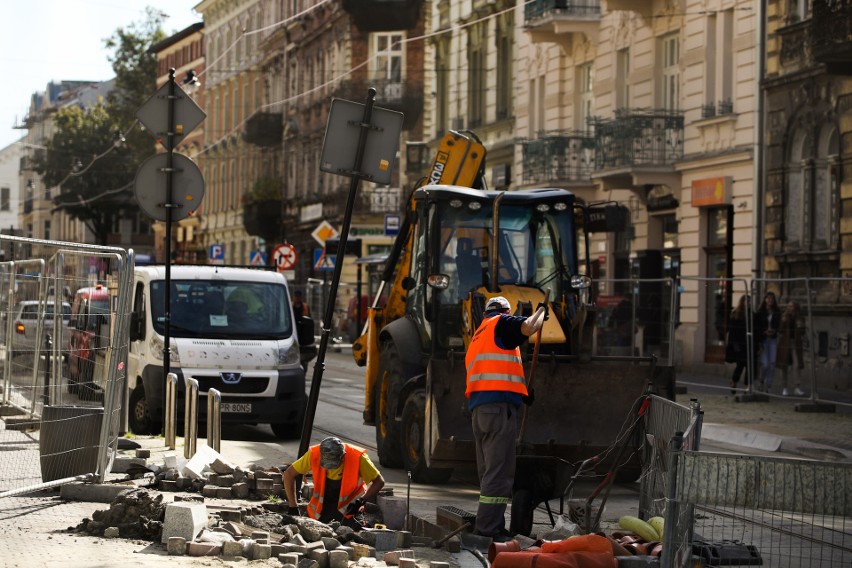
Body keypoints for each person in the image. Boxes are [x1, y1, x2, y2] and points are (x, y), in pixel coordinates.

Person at [464, 295, 547, 542]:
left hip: (481, 412)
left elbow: (493, 375)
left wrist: (520, 393)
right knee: (499, 474)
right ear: (504, 311)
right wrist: (542, 310)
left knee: (489, 474)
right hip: (499, 412)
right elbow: (531, 326)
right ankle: (489, 529)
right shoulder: (501, 322)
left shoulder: (479, 335)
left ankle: (491, 524)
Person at [283, 436, 385, 527]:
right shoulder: (315, 453)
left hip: (349, 507)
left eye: (334, 465)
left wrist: (361, 501)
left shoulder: (358, 457)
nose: (330, 469)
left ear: (343, 457)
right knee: (312, 529)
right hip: (321, 507)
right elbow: (289, 474)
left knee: (353, 530)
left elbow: (379, 481)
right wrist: (293, 506)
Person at [776, 300, 806, 397]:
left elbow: (803, 331)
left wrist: (801, 325)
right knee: (784, 365)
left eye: (792, 306)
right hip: (785, 344)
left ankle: (797, 387)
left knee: (797, 364)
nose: (790, 308)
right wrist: (783, 321)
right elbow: (780, 330)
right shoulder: (784, 316)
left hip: (795, 344)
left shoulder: (800, 317)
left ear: (796, 307)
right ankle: (785, 387)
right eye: (789, 306)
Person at [726, 294, 754, 393]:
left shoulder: (751, 314)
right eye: (748, 301)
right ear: (743, 302)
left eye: (750, 301)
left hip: (749, 344)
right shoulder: (736, 313)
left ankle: (746, 385)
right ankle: (734, 381)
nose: (750, 303)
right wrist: (734, 344)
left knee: (749, 366)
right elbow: (732, 330)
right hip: (739, 343)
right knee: (740, 365)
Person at [755, 291, 781, 392]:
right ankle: (761, 380)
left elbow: (779, 325)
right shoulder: (760, 312)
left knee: (772, 363)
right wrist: (764, 331)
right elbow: (757, 326)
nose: (770, 300)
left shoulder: (777, 312)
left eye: (772, 298)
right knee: (765, 364)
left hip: (773, 339)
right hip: (764, 340)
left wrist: (775, 330)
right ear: (765, 299)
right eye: (768, 298)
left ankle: (769, 384)